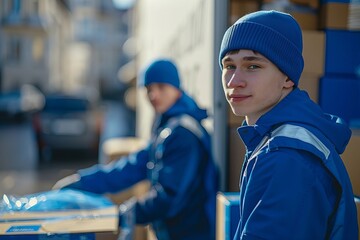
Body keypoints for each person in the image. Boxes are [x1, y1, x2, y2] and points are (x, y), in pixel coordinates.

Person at [219, 10, 358, 240]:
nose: (234, 81)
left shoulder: (286, 155)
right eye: (229, 65)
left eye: (252, 66)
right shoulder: (273, 139)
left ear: (288, 78)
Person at [53, 58, 218, 240]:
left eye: (161, 87)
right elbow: (130, 168)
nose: (153, 95)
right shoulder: (167, 128)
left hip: (191, 234)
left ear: (177, 89)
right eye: (148, 89)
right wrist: (82, 182)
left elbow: (169, 196)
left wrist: (128, 212)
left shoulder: (181, 134)